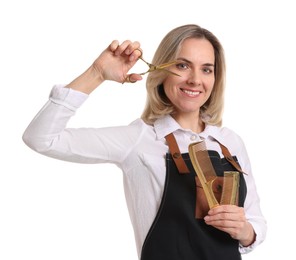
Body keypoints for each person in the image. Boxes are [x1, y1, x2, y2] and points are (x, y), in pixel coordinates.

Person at [22, 24, 267, 259]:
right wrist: (96, 74)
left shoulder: (230, 142)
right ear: (160, 72)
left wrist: (245, 231)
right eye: (182, 65)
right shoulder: (138, 139)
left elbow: (256, 223)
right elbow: (41, 138)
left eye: (206, 69)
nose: (195, 79)